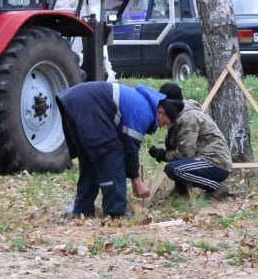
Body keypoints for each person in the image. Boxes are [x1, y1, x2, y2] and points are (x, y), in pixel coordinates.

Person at [56, 81, 167, 218]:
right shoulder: (144, 112)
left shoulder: (141, 102)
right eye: (165, 122)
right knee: (109, 154)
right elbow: (130, 148)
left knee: (91, 159)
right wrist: (136, 182)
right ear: (161, 112)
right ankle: (116, 212)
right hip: (87, 106)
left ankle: (82, 209)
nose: (162, 127)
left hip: (73, 101)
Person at [149, 85, 233, 198]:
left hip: (215, 162)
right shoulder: (179, 115)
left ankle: (216, 187)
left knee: (174, 169)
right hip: (204, 160)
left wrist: (163, 155)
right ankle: (182, 190)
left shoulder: (189, 117)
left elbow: (185, 154)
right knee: (174, 159)